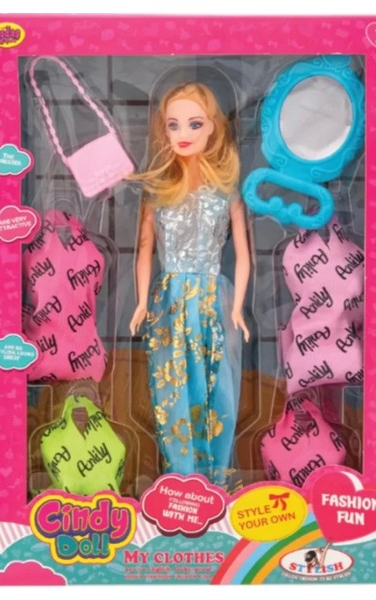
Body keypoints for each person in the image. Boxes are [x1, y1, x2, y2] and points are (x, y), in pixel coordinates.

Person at [129, 82, 250, 489]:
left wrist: (238, 308)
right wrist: (141, 303)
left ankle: (216, 483)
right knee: (172, 390)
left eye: (195, 124)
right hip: (169, 301)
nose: (183, 133)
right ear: (163, 130)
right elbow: (144, 250)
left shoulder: (227, 192)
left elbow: (244, 255)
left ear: (213, 127)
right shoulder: (158, 190)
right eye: (173, 124)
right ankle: (181, 482)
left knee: (219, 390)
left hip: (215, 298)